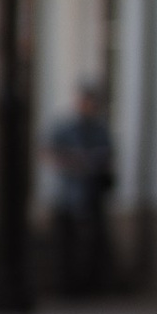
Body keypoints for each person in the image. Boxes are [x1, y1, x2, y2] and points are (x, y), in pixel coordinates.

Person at [43, 81, 115, 297]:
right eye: (86, 101)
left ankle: (90, 287)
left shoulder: (99, 129)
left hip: (91, 195)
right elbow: (49, 152)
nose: (89, 106)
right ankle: (66, 288)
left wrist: (92, 163)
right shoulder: (66, 128)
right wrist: (74, 162)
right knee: (66, 245)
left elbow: (107, 156)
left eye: (92, 102)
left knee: (92, 244)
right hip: (67, 195)